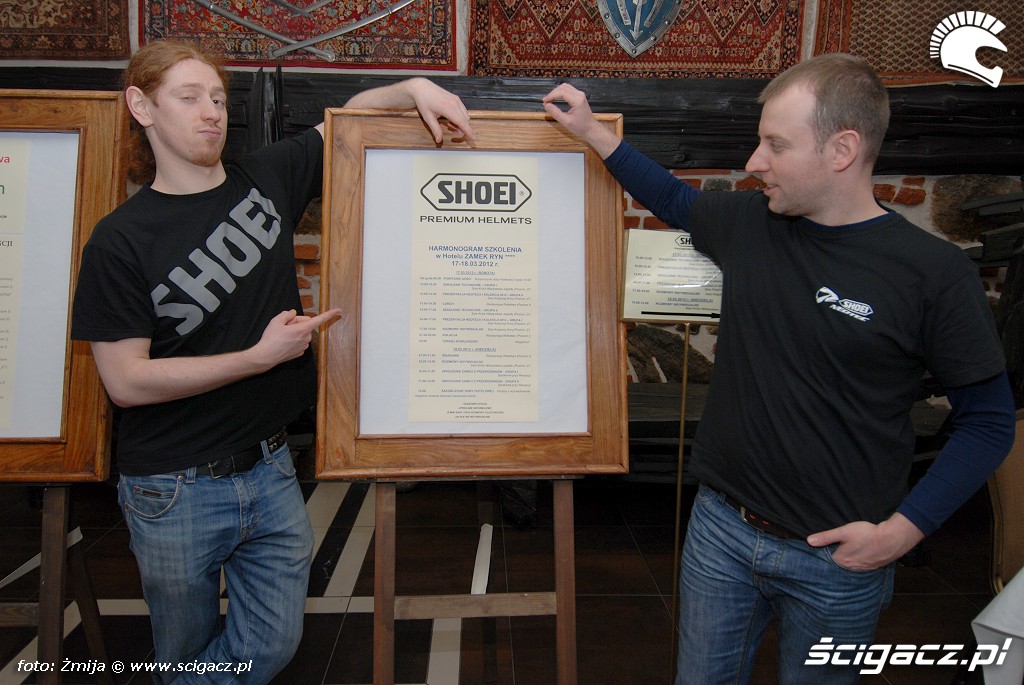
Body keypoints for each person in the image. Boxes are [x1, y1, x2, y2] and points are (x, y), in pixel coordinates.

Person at [543, 53, 1015, 684]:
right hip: (721, 533)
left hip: (838, 563)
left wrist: (904, 532)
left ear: (842, 149)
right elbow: (673, 198)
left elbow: (989, 422)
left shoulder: (935, 274)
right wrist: (593, 131)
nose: (754, 161)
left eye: (776, 144)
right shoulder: (751, 223)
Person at [70, 39, 475, 684]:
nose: (211, 111)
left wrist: (414, 88)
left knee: (271, 643)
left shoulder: (265, 179)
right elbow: (126, 382)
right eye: (189, 97)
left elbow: (348, 120)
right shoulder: (118, 241)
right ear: (141, 107)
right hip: (172, 488)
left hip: (270, 467)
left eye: (217, 97)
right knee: (183, 651)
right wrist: (257, 359)